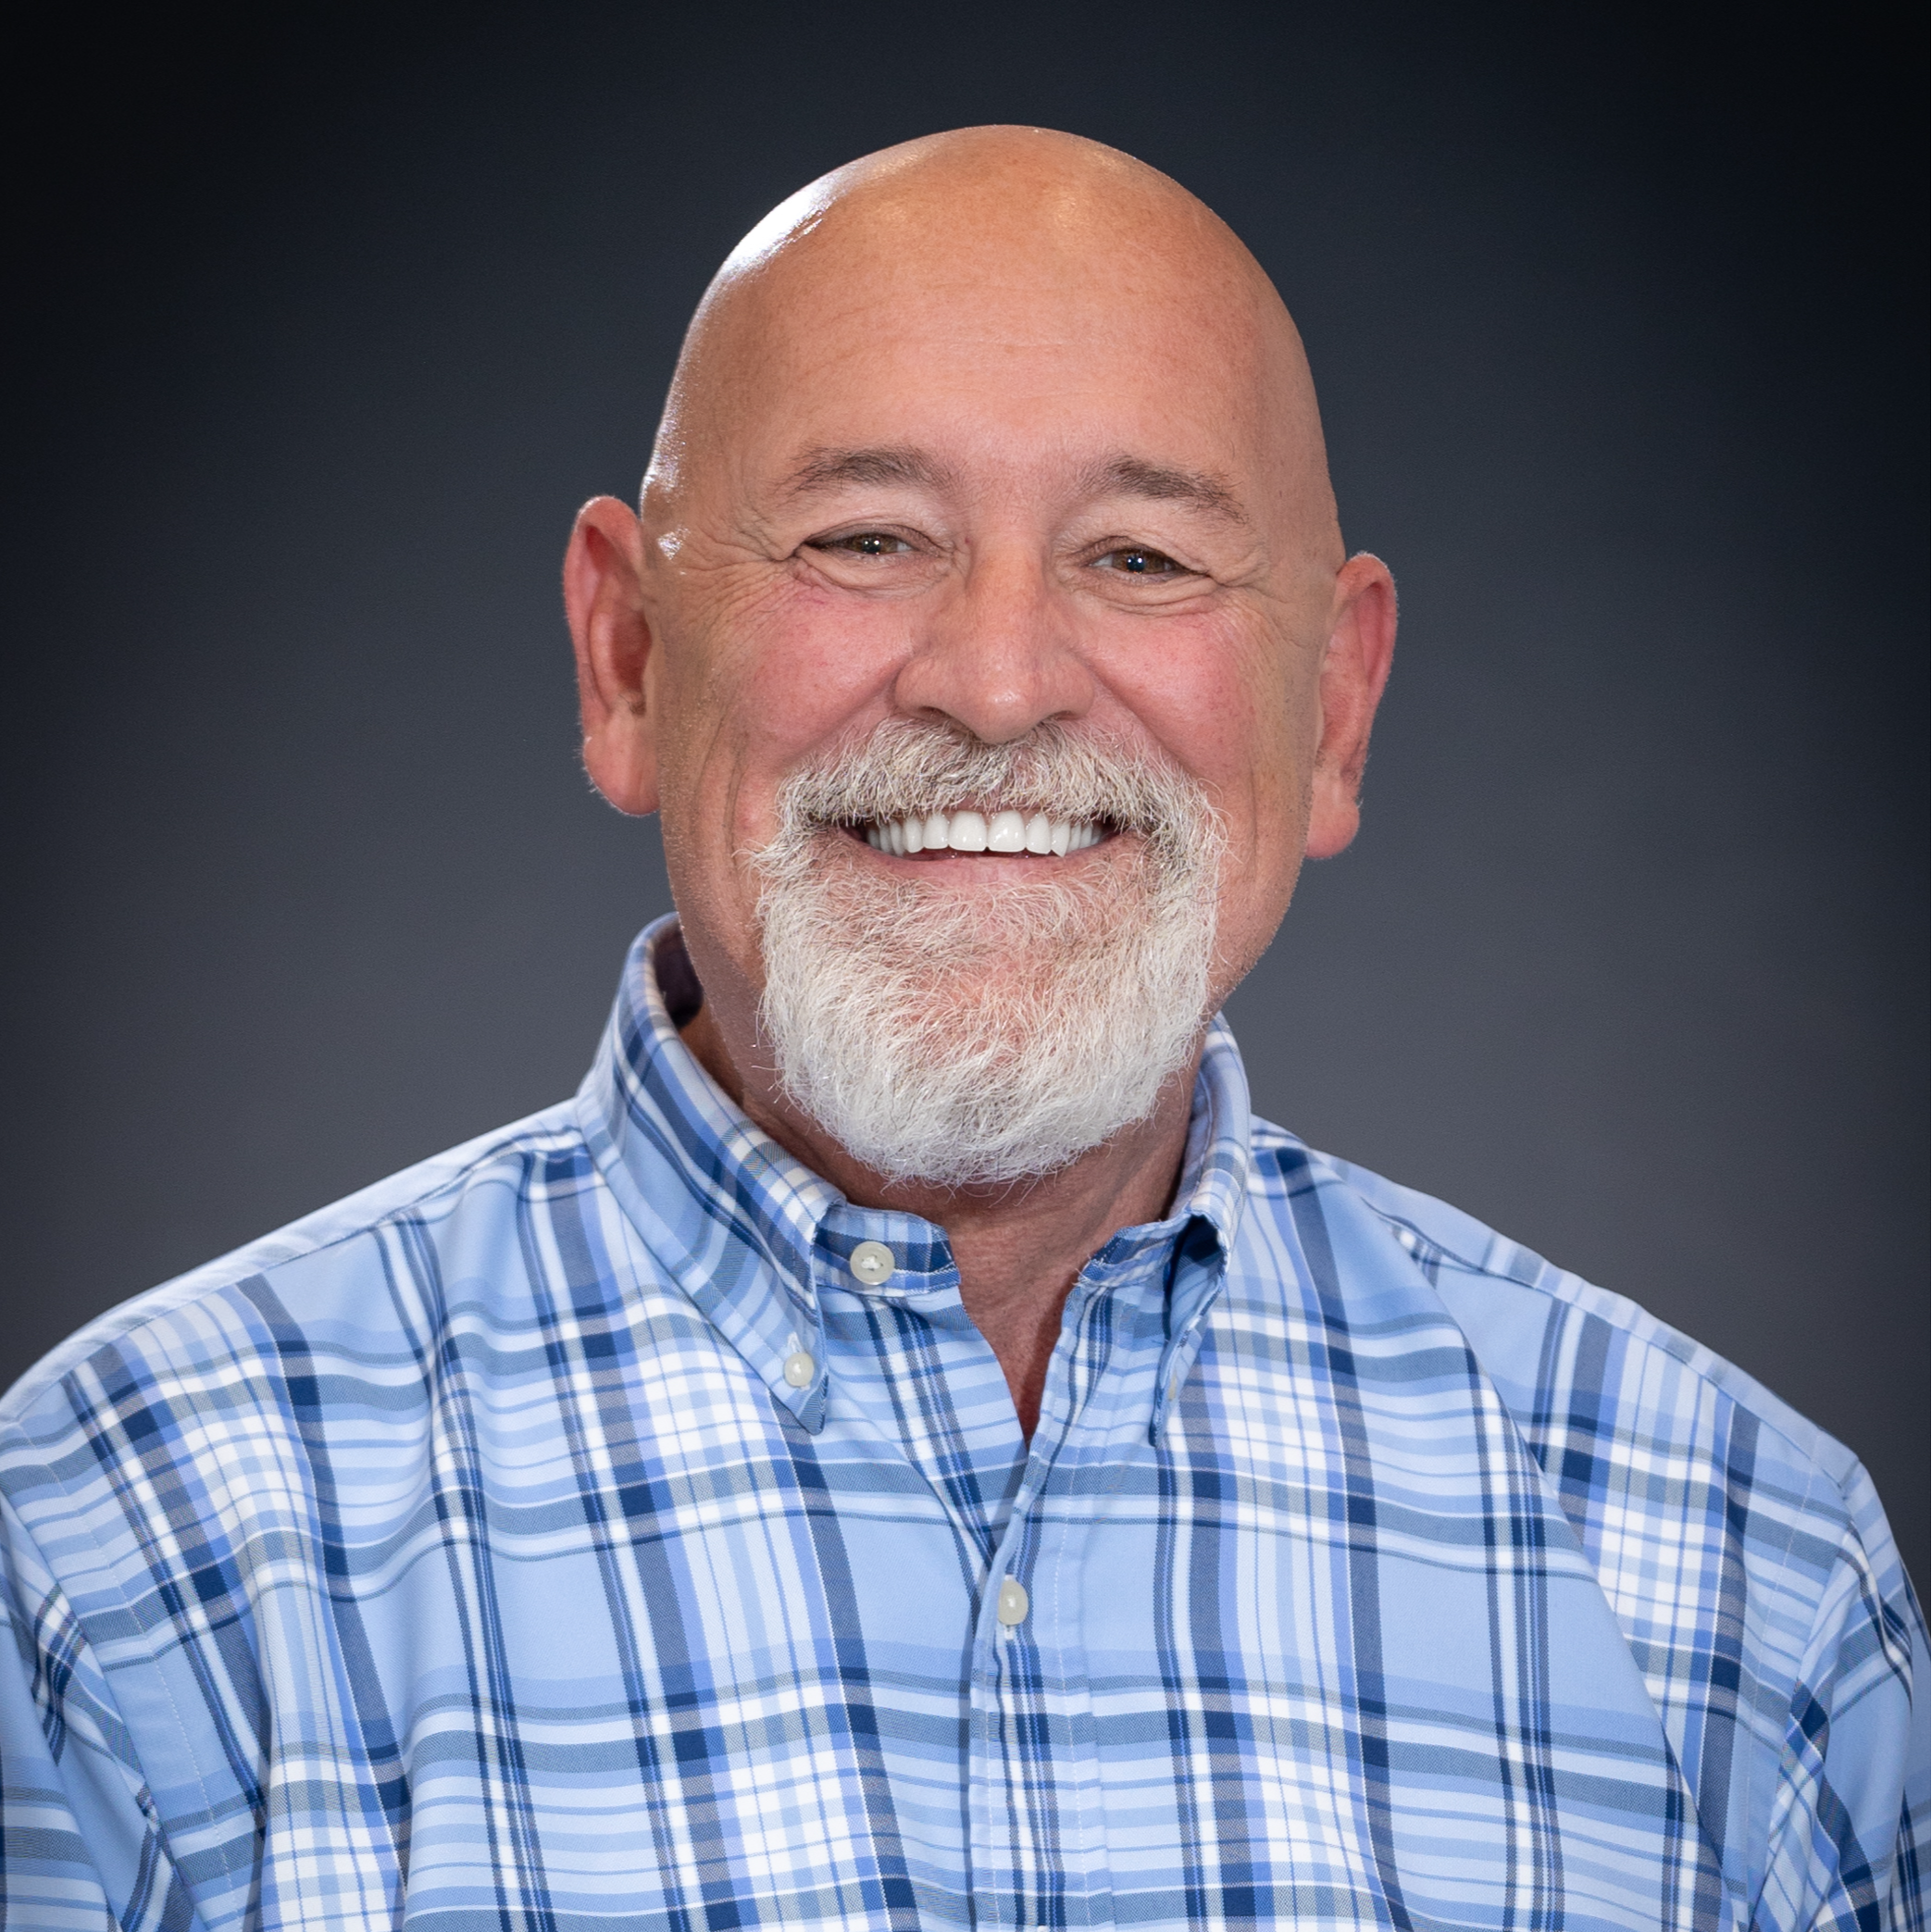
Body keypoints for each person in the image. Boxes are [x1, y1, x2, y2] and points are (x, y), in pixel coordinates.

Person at [1, 126, 1923, 1932]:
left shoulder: (1735, 1572)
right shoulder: (127, 1545)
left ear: (1332, 709)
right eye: (864, 536)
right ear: (627, 656)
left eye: (1140, 556)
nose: (998, 684)